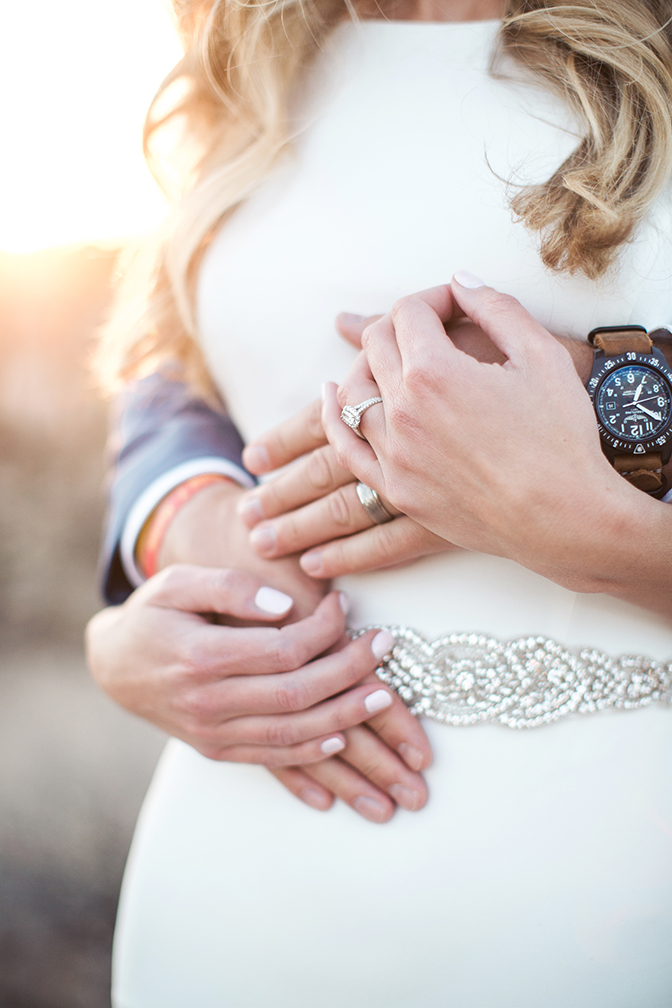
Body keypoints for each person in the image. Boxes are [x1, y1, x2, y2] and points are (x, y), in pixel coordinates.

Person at [86, 0, 672, 1003]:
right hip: (237, 875)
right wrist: (183, 528)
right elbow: (169, 357)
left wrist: (606, 431)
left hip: (609, 879)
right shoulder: (246, 50)